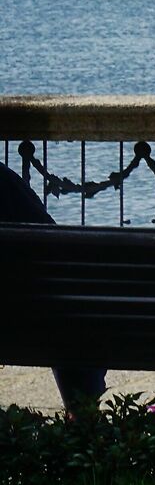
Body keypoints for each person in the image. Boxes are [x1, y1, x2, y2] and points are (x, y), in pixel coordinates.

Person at [0, 165, 108, 411]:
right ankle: (81, 416)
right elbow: (54, 251)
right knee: (70, 324)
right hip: (27, 323)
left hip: (14, 322)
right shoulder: (4, 184)